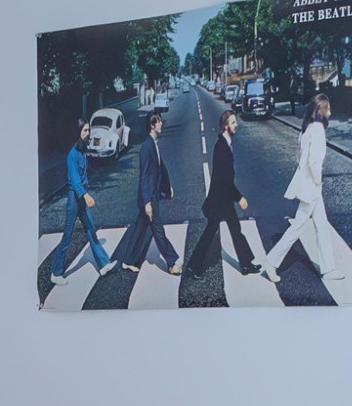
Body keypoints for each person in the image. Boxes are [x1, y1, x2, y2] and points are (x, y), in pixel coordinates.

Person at [262, 94, 336, 283]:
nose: (330, 112)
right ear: (320, 111)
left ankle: (328, 269)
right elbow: (313, 161)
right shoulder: (318, 129)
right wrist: (318, 181)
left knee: (321, 225)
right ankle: (271, 262)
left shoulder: (307, 129)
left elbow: (299, 157)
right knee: (297, 227)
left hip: (309, 185)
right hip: (312, 187)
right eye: (327, 109)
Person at [115, 109, 182, 276]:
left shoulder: (153, 143)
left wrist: (168, 188)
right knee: (158, 230)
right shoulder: (146, 147)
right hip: (149, 197)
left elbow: (160, 169)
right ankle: (172, 262)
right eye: (158, 121)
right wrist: (147, 203)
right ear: (152, 125)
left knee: (139, 228)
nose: (161, 123)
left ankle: (128, 261)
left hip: (153, 194)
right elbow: (144, 177)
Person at [45, 118, 110, 282]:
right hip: (75, 198)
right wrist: (86, 195)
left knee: (90, 230)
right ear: (77, 133)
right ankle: (56, 272)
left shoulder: (82, 151)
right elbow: (74, 180)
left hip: (81, 195)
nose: (88, 133)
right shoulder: (72, 155)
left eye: (88, 130)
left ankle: (103, 264)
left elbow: (84, 174)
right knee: (67, 236)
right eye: (85, 131)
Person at [198, 107, 261, 275]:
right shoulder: (221, 147)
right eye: (233, 122)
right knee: (210, 233)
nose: (236, 125)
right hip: (220, 200)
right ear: (225, 125)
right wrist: (239, 197)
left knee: (235, 229)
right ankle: (194, 266)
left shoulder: (225, 144)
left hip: (224, 199)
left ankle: (246, 264)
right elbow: (224, 179)